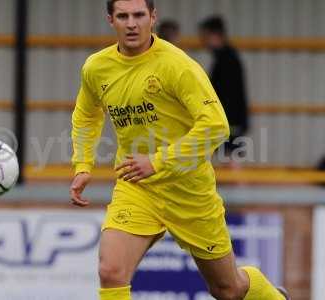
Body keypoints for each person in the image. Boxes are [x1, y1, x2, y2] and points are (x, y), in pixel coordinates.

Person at [70, 1, 288, 299]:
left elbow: (215, 125)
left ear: (152, 17)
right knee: (110, 271)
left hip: (189, 190)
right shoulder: (97, 67)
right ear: (111, 20)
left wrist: (158, 161)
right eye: (123, 16)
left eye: (139, 15)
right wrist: (83, 166)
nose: (131, 23)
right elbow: (86, 114)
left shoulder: (177, 65)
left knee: (228, 289)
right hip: (138, 186)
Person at [198, 16, 249, 159]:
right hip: (228, 119)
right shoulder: (223, 57)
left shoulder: (227, 59)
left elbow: (228, 94)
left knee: (230, 160)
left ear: (215, 35)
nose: (203, 41)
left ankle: (238, 182)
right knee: (227, 160)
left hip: (230, 120)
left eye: (205, 36)